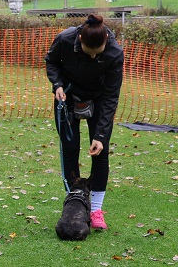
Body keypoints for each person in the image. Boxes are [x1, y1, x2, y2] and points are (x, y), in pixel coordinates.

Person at [45, 14, 124, 230]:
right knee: (70, 148)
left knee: (100, 150)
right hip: (67, 96)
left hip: (99, 99)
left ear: (105, 44)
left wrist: (100, 135)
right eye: (89, 53)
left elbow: (111, 96)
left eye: (96, 54)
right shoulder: (65, 39)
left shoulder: (115, 53)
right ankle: (75, 202)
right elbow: (51, 62)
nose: (92, 58)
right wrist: (57, 84)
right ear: (80, 39)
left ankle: (96, 209)